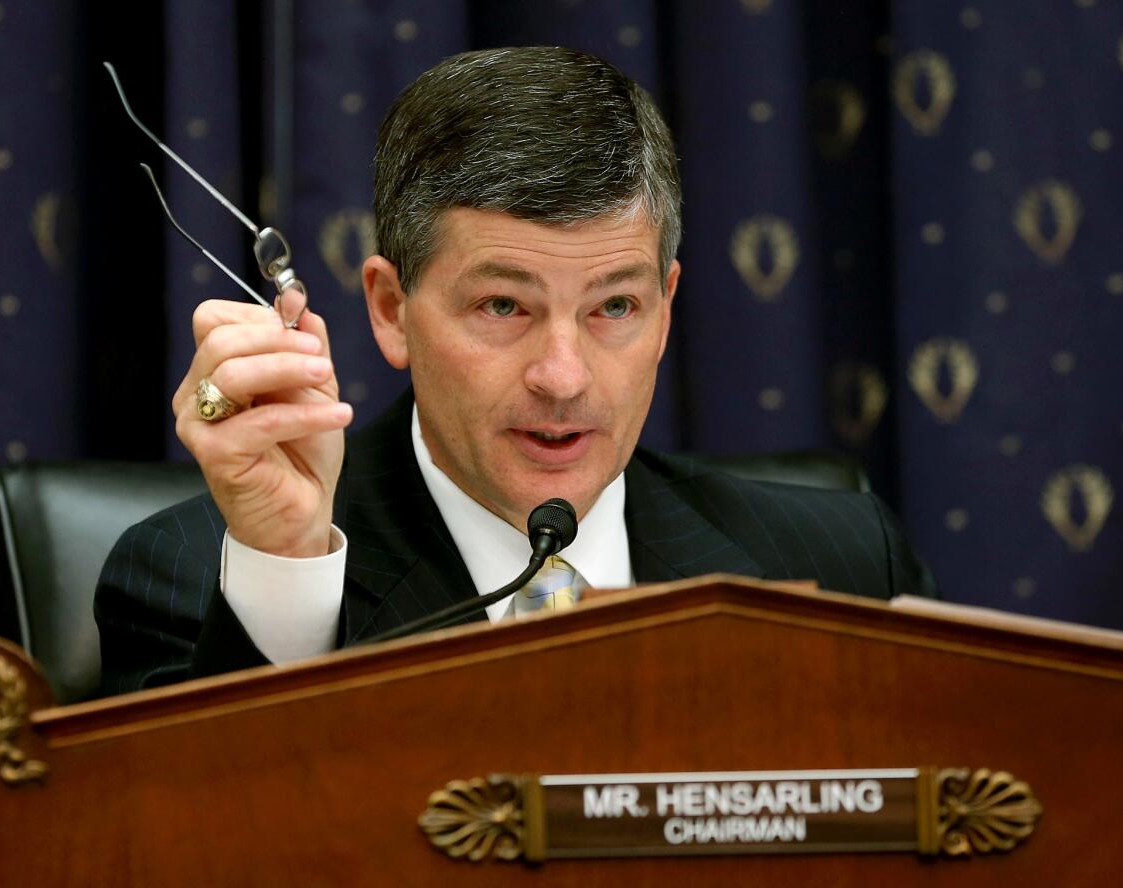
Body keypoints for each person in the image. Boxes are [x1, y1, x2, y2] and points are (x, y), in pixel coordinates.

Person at [95, 46, 933, 696]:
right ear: (390, 309)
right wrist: (287, 574)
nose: (563, 378)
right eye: (503, 307)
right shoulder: (194, 574)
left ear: (666, 306)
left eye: (613, 307)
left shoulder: (850, 567)